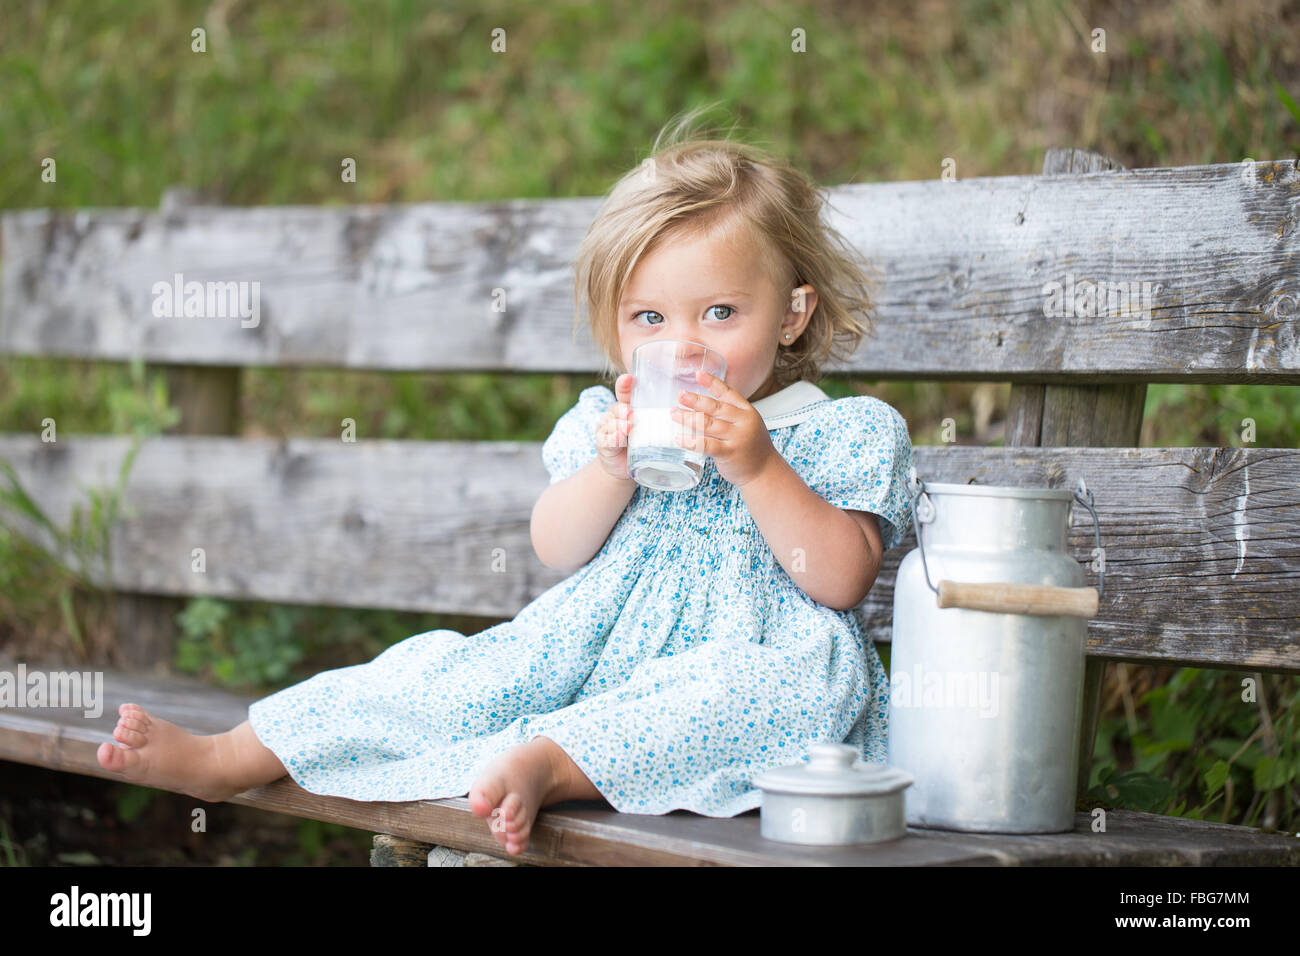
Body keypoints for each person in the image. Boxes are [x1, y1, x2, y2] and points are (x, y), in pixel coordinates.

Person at [95, 107, 916, 858]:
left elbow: (841, 580)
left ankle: (547, 764)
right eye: (650, 319)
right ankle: (229, 755)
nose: (685, 344)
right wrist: (609, 469)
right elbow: (556, 545)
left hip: (754, 661)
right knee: (441, 675)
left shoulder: (844, 429)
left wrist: (760, 465)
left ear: (793, 313)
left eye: (721, 314)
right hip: (591, 654)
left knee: (742, 700)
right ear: (617, 324)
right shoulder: (610, 421)